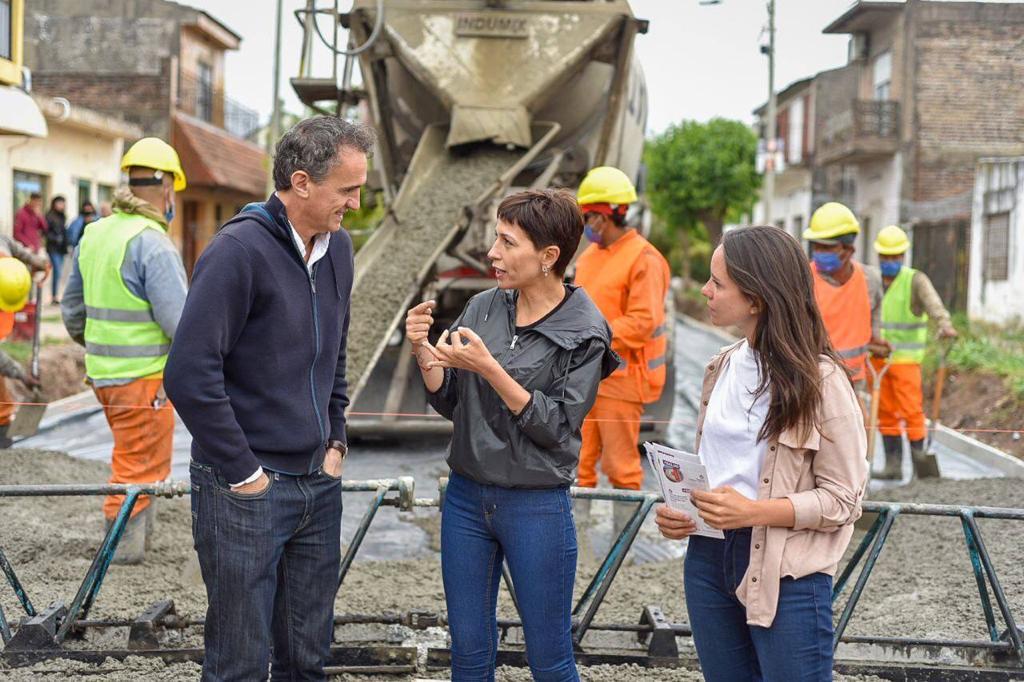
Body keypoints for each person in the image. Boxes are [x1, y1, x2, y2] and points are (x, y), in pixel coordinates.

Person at [165, 116, 373, 680]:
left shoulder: (339, 251)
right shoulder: (238, 250)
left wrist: (335, 438)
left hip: (316, 482)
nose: (355, 202)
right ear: (301, 182)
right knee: (239, 661)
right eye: (347, 189)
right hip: (245, 492)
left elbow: (334, 350)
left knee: (307, 657)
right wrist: (243, 472)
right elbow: (187, 373)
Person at [406, 188, 618, 681]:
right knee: (469, 655)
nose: (492, 254)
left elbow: (555, 427)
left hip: (536, 504)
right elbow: (450, 399)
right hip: (465, 499)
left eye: (507, 242)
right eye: (494, 240)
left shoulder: (586, 332)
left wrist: (491, 368)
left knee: (550, 660)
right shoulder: (484, 306)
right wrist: (422, 350)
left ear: (548, 257)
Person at [656, 225, 867, 682]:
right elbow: (722, 475)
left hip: (786, 573)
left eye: (718, 282)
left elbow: (845, 500)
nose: (705, 291)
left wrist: (754, 511)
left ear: (756, 298)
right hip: (708, 559)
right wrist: (685, 514)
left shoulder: (823, 383)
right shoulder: (721, 367)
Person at [61, 137, 189, 565]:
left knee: (138, 462)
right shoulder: (152, 243)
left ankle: (133, 548)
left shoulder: (95, 234)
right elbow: (180, 324)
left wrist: (101, 350)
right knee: (137, 470)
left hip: (104, 376)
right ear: (168, 187)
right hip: (145, 380)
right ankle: (121, 556)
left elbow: (73, 312)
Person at [573, 166, 671, 535]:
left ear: (606, 214)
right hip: (586, 377)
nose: (585, 225)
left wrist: (590, 335)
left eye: (587, 217)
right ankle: (576, 546)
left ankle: (622, 550)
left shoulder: (643, 258)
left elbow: (643, 322)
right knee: (578, 462)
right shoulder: (589, 259)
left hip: (623, 379)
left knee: (621, 467)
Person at [872, 225, 957, 479]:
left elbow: (934, 305)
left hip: (905, 362)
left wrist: (945, 325)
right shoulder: (873, 280)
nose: (890, 261)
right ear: (879, 256)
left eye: (895, 256)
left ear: (903, 255)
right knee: (884, 412)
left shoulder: (915, 280)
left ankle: (921, 470)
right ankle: (893, 467)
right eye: (886, 257)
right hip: (876, 359)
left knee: (911, 411)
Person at [802, 202, 889, 389]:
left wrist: (876, 342)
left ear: (849, 250)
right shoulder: (804, 280)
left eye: (827, 248)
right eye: (817, 247)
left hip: (854, 380)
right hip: (814, 379)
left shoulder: (869, 280)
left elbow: (874, 318)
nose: (819, 253)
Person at [0, 252, 48, 448]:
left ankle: (2, 428)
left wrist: (35, 262)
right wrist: (21, 375)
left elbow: (14, 247)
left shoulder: (3, 250)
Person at [44, 195, 68, 303]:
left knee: (59, 272)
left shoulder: (63, 216)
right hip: (53, 248)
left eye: (63, 203)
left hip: (61, 248)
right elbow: (45, 232)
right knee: (57, 271)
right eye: (59, 203)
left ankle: (56, 295)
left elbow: (64, 231)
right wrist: (55, 238)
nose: (61, 205)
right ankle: (54, 296)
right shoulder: (49, 216)